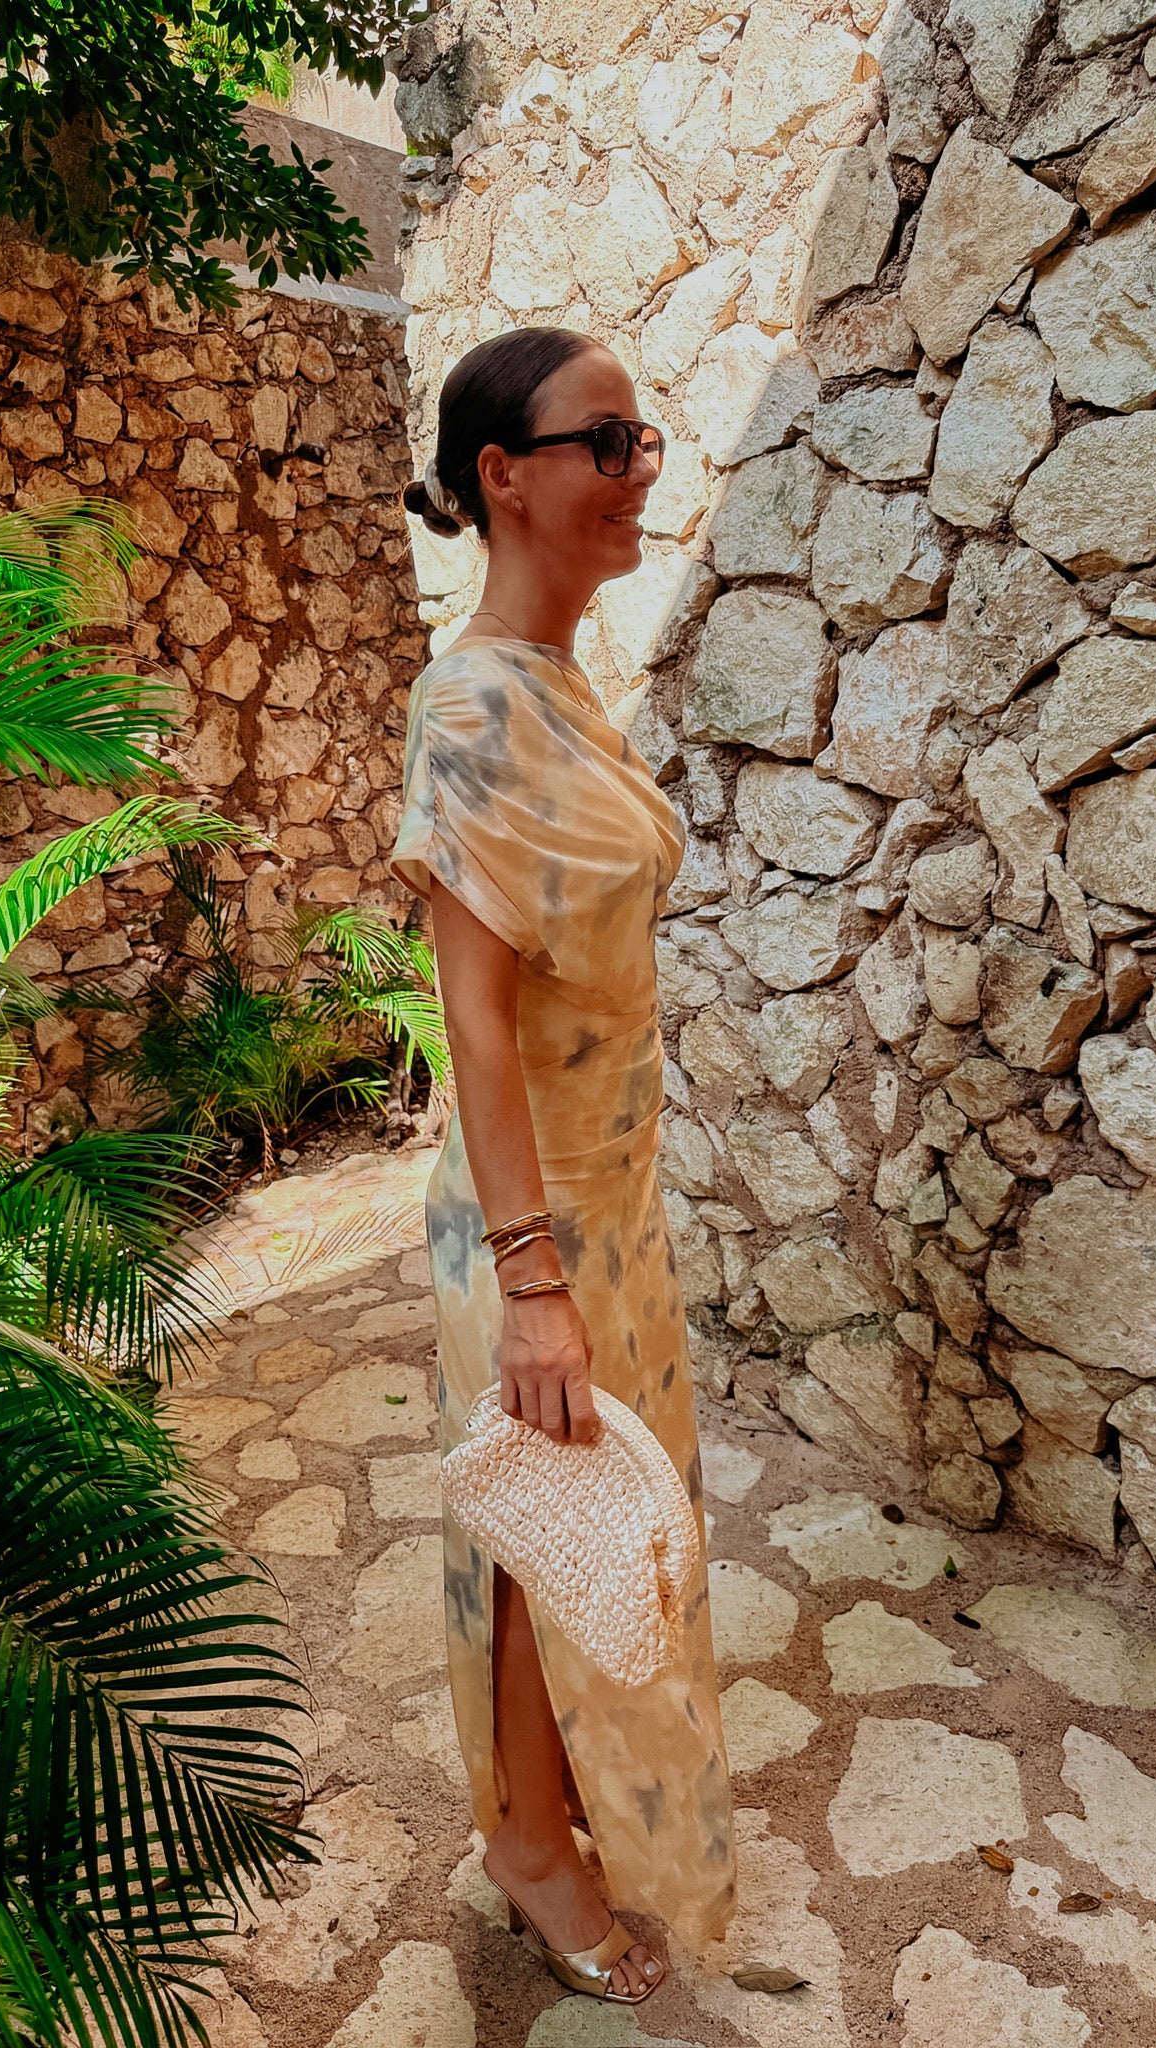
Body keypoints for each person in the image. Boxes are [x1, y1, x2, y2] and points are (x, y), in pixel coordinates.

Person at [391, 327, 736, 2006]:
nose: (638, 469)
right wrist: (533, 1281)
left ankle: (559, 1794)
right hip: (535, 1215)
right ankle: (528, 1846)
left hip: (616, 1197)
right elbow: (473, 1020)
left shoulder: (557, 681)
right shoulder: (467, 706)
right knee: (550, 1535)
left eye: (642, 437)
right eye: (604, 442)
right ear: (500, 478)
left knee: (602, 1526)